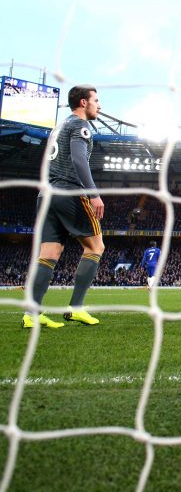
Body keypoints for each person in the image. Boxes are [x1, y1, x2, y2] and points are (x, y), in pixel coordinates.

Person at [24, 84, 103, 329]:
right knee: (96, 246)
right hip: (69, 192)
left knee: (49, 254)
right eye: (96, 100)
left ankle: (32, 314)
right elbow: (78, 159)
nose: (99, 106)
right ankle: (76, 308)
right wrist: (93, 194)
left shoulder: (59, 127)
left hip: (46, 195)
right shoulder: (81, 126)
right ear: (83, 102)